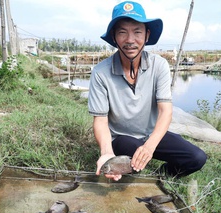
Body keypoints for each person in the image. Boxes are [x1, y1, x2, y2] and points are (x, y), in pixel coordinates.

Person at [88, 1, 207, 181]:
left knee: (196, 157)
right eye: (122, 32)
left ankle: (162, 176)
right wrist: (106, 152)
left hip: (150, 134)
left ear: (147, 34)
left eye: (137, 31)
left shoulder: (159, 65)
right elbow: (100, 120)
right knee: (130, 147)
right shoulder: (100, 73)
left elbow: (165, 110)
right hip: (122, 138)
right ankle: (128, 167)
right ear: (114, 37)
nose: (130, 40)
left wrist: (150, 146)